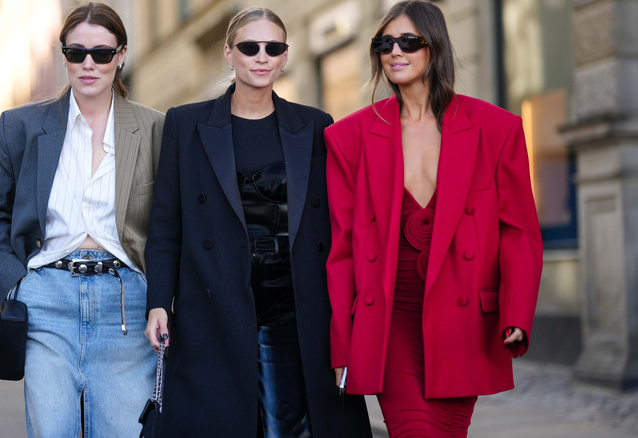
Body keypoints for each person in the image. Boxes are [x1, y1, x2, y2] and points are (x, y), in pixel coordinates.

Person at [143, 6, 372, 438]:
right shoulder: (186, 124)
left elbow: (335, 225)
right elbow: (165, 226)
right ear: (229, 54)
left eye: (273, 48)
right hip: (215, 303)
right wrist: (159, 300)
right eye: (250, 47)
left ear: (285, 57)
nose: (262, 56)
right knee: (223, 422)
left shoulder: (315, 126)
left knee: (288, 425)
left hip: (295, 303)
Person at [325, 0, 544, 436]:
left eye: (409, 41)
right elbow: (342, 249)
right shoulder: (348, 138)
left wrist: (516, 313)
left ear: (435, 47)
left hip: (463, 325)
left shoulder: (496, 129)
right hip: (390, 324)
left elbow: (519, 232)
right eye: (384, 43)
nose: (395, 51)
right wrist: (342, 345)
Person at [0, 2, 164, 436]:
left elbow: (170, 224)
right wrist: (15, 286)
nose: (89, 64)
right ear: (64, 57)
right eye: (76, 53)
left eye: (102, 53)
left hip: (127, 306)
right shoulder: (21, 126)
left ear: (122, 54)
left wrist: (162, 300)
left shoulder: (155, 129)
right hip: (45, 303)